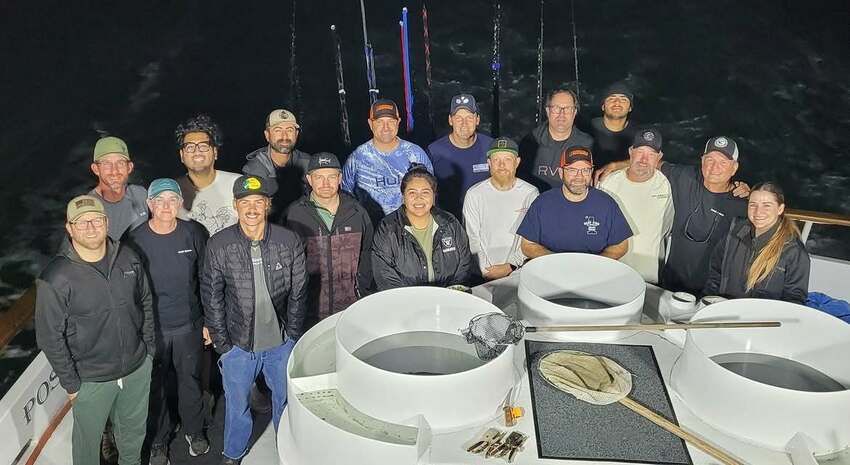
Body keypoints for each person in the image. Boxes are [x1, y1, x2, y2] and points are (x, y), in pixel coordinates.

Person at [35, 195, 154, 465]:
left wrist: (148, 352)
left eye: (96, 220)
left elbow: (146, 301)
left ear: (106, 222)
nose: (90, 227)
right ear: (69, 228)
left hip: (136, 369)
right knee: (87, 448)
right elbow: (49, 337)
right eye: (81, 222)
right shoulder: (56, 278)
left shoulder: (129, 257)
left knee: (133, 438)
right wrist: (72, 385)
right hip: (90, 381)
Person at [202, 175, 307, 465]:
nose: (251, 208)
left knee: (285, 402)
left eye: (258, 202)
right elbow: (211, 295)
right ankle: (233, 452)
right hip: (238, 345)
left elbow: (299, 291)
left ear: (268, 205)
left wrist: (292, 335)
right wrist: (223, 344)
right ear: (235, 205)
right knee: (236, 405)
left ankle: (286, 448)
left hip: (280, 344)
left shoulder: (288, 240)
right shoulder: (219, 244)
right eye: (245, 202)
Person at [597, 136, 750, 295]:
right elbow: (652, 163)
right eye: (710, 159)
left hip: (709, 292)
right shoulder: (684, 177)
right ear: (702, 160)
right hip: (668, 286)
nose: (714, 167)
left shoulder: (742, 206)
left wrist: (752, 194)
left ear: (734, 168)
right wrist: (616, 165)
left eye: (723, 162)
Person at [125, 179, 210, 464]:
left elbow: (206, 279)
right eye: (159, 200)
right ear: (149, 204)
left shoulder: (193, 233)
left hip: (189, 325)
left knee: (191, 381)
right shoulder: (134, 241)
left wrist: (209, 322)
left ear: (180, 203)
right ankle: (159, 441)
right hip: (152, 330)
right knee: (155, 387)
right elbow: (128, 290)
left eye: (172, 200)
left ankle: (194, 431)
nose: (165, 206)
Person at [285, 153, 374, 328]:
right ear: (309, 179)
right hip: (309, 313)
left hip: (350, 310)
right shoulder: (294, 215)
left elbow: (368, 254)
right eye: (319, 177)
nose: (325, 183)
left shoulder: (357, 212)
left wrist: (362, 290)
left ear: (340, 178)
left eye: (331, 177)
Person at [704, 182, 810, 303]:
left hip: (761, 314)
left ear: (780, 209)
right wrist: (707, 303)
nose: (758, 212)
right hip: (724, 308)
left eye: (767, 205)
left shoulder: (793, 251)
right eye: (753, 205)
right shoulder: (734, 233)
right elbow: (715, 275)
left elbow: (795, 298)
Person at [518, 147, 632, 259]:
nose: (579, 176)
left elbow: (621, 246)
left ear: (591, 171)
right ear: (561, 172)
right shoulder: (542, 203)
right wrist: (557, 262)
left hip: (593, 270)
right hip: (552, 269)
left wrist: (596, 263)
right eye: (572, 170)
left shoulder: (606, 203)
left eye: (585, 170)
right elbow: (527, 245)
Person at [371, 165, 471, 290]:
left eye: (425, 192)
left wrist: (450, 293)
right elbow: (384, 275)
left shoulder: (450, 222)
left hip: (449, 297)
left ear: (434, 195)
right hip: (406, 300)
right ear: (403, 196)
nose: (419, 198)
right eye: (412, 193)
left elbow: (464, 263)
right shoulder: (387, 229)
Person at [597, 128, 673, 283]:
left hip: (649, 278)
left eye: (651, 154)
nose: (644, 159)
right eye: (640, 152)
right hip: (610, 272)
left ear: (659, 157)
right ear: (630, 151)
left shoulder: (668, 185)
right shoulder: (607, 182)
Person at [342, 99, 433, 222]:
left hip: (410, 227)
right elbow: (346, 200)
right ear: (370, 123)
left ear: (398, 122)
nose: (386, 127)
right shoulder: (356, 158)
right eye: (379, 122)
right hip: (371, 229)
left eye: (391, 121)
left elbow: (431, 194)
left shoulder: (415, 154)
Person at [463, 137, 538, 280]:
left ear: (517, 162)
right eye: (496, 160)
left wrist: (510, 266)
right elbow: (472, 238)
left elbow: (531, 239)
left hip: (518, 273)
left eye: (508, 159)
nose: (502, 165)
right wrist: (486, 271)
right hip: (483, 275)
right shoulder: (474, 194)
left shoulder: (530, 193)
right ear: (489, 163)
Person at [427, 94, 494, 218]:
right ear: (450, 120)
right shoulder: (434, 151)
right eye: (458, 118)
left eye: (469, 118)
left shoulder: (491, 147)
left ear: (477, 120)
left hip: (484, 217)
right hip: (448, 220)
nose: (464, 124)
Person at [174, 114, 242, 236]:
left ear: (215, 152)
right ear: (182, 156)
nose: (197, 152)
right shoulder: (171, 192)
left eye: (203, 146)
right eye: (190, 147)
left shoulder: (238, 184)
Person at [519, 86, 593, 191]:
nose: (561, 114)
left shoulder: (588, 144)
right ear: (547, 111)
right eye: (556, 108)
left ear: (574, 112)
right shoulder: (530, 142)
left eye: (567, 108)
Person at [243, 109, 313, 213]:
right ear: (267, 135)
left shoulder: (308, 163)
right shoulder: (254, 170)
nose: (284, 136)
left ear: (296, 134)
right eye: (278, 130)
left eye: (289, 130)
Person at [88, 136, 148, 240]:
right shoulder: (87, 207)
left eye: (120, 163)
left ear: (129, 167)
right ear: (96, 169)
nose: (114, 171)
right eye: (107, 164)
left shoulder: (141, 194)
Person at [586, 81, 638, 168]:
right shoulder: (586, 128)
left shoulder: (639, 134)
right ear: (603, 106)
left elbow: (655, 162)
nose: (617, 103)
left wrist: (617, 165)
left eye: (623, 99)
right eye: (611, 99)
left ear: (630, 108)